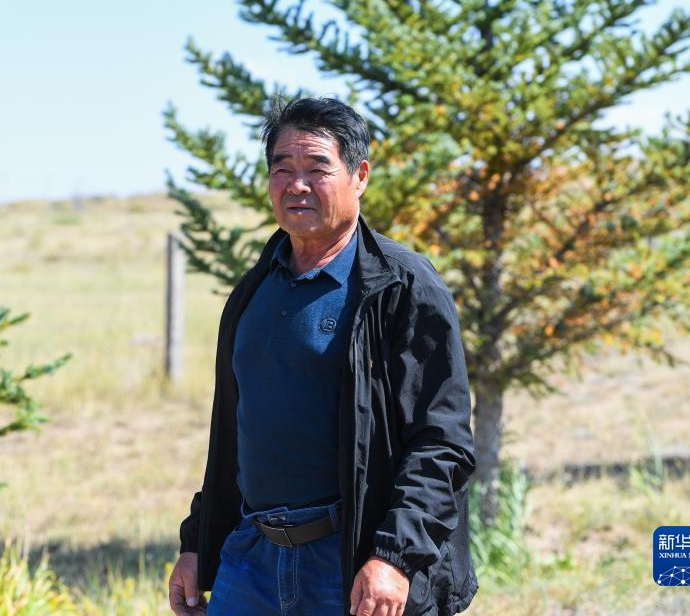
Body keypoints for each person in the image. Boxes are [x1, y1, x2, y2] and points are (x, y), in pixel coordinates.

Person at [168, 97, 477, 616]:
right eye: (282, 169)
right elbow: (233, 435)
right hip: (251, 560)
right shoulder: (254, 289)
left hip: (350, 563)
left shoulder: (401, 287)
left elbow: (441, 442)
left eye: (317, 168)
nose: (297, 185)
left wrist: (394, 558)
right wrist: (199, 542)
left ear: (360, 176)